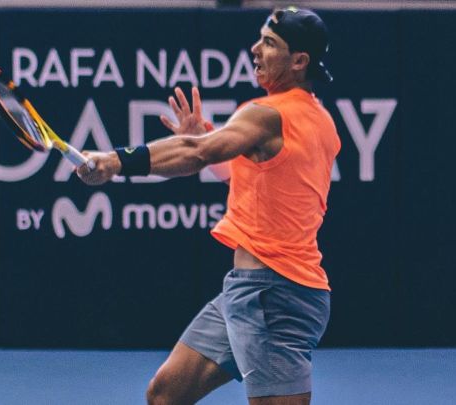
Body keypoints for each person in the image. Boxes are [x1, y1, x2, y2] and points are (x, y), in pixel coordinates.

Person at [76, 7, 340, 405]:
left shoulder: (268, 115)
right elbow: (242, 175)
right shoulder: (318, 120)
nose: (255, 49)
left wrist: (115, 161)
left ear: (299, 61)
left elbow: (195, 154)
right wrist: (205, 140)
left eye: (269, 44)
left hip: (276, 294)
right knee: (166, 394)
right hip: (247, 291)